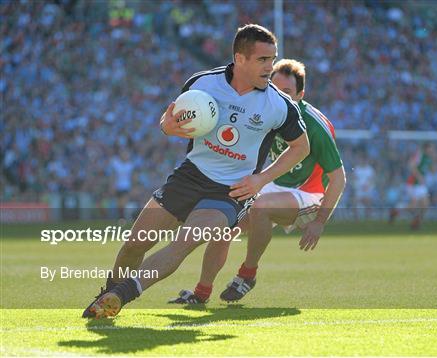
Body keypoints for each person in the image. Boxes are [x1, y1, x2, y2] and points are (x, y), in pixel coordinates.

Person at [82, 24, 310, 318]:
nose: (270, 67)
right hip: (190, 176)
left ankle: (120, 296)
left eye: (273, 58)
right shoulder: (203, 84)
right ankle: (106, 297)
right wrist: (168, 127)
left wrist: (260, 179)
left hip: (230, 191)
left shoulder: (279, 105)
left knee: (183, 243)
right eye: (262, 60)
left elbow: (300, 147)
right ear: (240, 58)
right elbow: (169, 120)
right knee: (134, 245)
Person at [169, 59, 346, 304]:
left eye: (287, 92)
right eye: (275, 88)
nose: (280, 96)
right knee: (223, 227)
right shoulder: (263, 108)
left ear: (301, 94)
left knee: (261, 207)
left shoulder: (314, 125)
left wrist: (320, 221)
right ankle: (201, 294)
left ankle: (247, 275)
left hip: (308, 192)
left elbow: (338, 177)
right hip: (272, 184)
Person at [389, 142, 436, 230]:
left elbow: (433, 171)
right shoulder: (419, 155)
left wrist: (434, 161)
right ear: (426, 149)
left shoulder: (429, 158)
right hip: (412, 183)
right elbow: (411, 166)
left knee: (425, 205)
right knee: (413, 206)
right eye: (431, 148)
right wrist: (419, 176)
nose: (432, 150)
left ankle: (417, 222)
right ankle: (395, 211)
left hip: (421, 185)